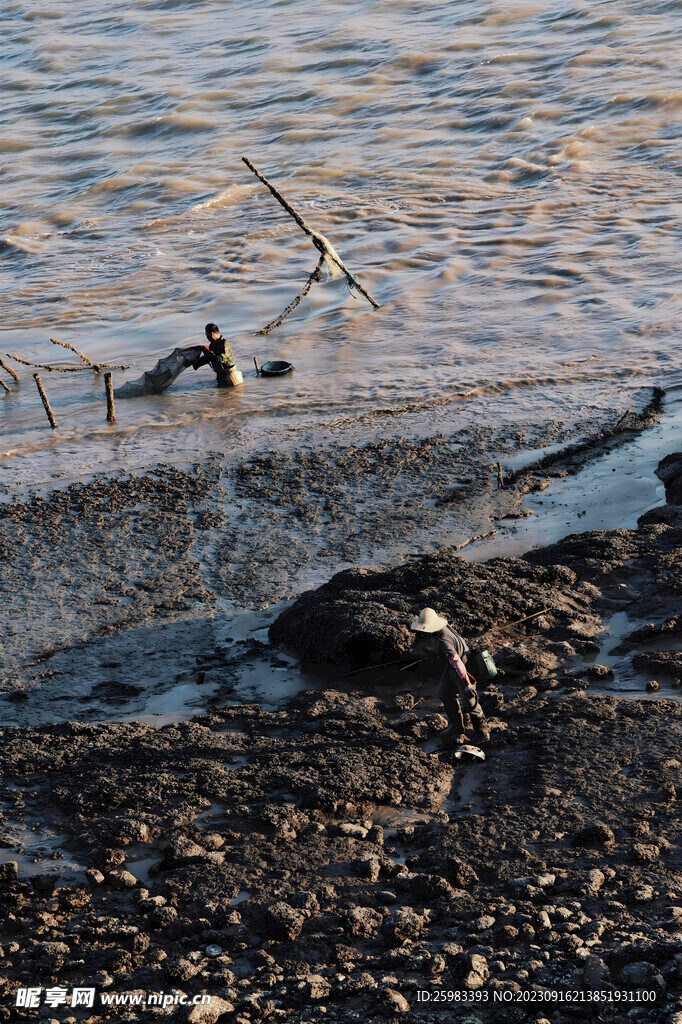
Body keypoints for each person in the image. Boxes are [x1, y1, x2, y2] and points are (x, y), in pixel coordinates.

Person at [410, 607, 490, 745]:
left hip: (463, 670)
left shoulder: (443, 640)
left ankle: (482, 732)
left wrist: (467, 684)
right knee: (445, 692)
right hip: (452, 669)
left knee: (470, 702)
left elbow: (457, 662)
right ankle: (456, 727)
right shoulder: (444, 628)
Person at [193, 323, 236, 387]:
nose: (207, 337)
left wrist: (209, 352)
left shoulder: (224, 343)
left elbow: (222, 359)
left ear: (212, 334)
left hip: (231, 376)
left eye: (207, 335)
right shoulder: (212, 345)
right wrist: (197, 363)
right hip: (221, 376)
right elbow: (209, 358)